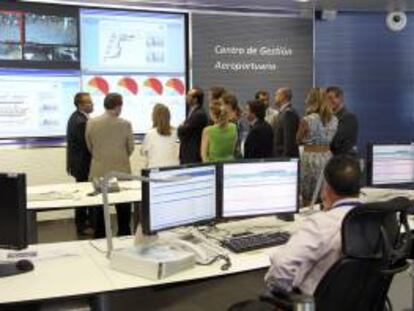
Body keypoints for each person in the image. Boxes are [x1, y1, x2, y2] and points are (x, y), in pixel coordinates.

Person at [265, 155, 361, 296]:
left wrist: (281, 294)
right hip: (359, 301)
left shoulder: (321, 224)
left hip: (313, 302)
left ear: (326, 188)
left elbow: (281, 265)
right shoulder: (376, 218)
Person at [85, 93, 134, 238]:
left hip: (98, 170)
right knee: (124, 207)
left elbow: (89, 146)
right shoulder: (125, 124)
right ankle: (124, 234)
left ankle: (100, 235)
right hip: (121, 171)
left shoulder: (91, 123)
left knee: (99, 207)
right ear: (118, 106)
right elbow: (130, 148)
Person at [297, 88, 338, 206]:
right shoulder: (334, 119)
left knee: (308, 195)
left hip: (310, 158)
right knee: (326, 193)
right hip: (327, 157)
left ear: (312, 100)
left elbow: (298, 140)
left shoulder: (307, 119)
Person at [66, 92, 94, 235]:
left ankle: (86, 222)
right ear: (80, 105)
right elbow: (86, 145)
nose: (92, 104)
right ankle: (81, 226)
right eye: (88, 102)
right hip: (82, 164)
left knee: (86, 192)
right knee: (83, 195)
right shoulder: (80, 121)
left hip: (80, 163)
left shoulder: (79, 117)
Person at [141, 104, 179, 168]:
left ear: (154, 117)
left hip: (155, 170)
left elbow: (143, 152)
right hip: (173, 169)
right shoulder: (176, 132)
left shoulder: (151, 133)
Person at [178, 87, 209, 164]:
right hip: (187, 154)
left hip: (193, 155)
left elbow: (182, 131)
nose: (186, 97)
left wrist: (180, 127)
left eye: (189, 96)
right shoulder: (192, 112)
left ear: (195, 99)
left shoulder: (199, 114)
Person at [326, 86, 358, 155]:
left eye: (331, 98)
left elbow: (335, 141)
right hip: (335, 160)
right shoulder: (330, 118)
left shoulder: (348, 117)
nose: (329, 101)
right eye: (327, 99)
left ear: (340, 98)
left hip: (344, 161)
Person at [273, 87, 300, 158]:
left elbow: (289, 140)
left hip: (284, 157)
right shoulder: (283, 113)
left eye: (276, 95)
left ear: (283, 96)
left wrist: (285, 159)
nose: (274, 97)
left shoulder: (288, 113)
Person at [221, 93, 250, 158]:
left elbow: (243, 137)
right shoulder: (224, 119)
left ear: (228, 105)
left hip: (237, 153)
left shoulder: (241, 119)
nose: (221, 107)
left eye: (222, 104)